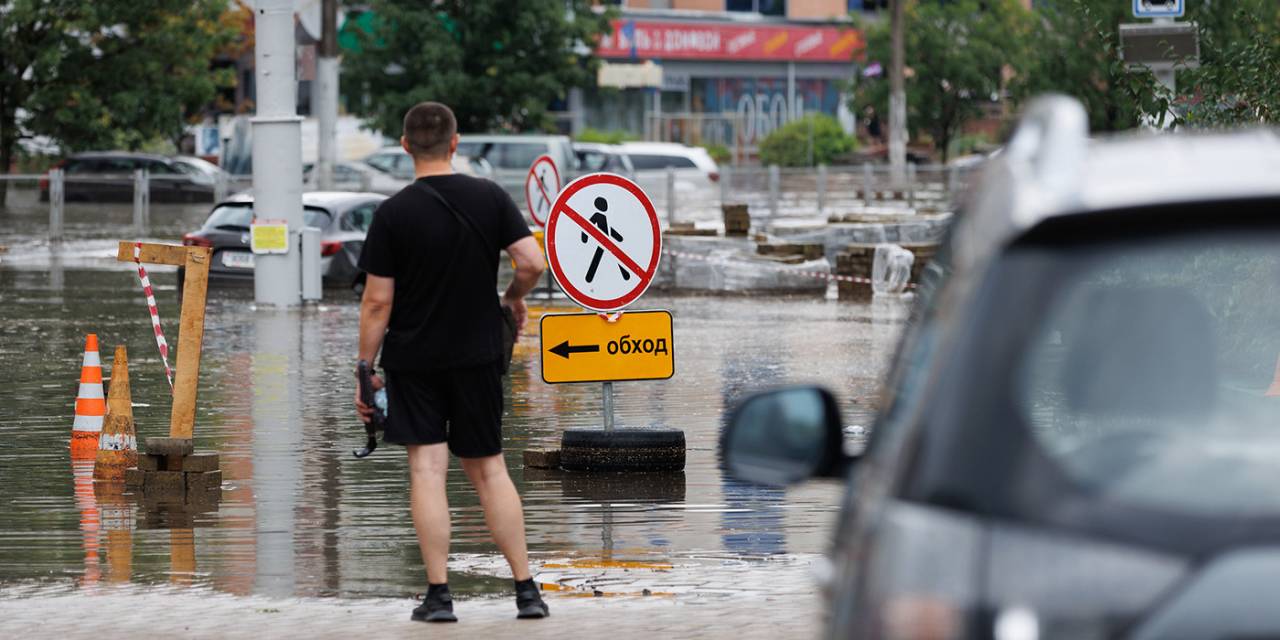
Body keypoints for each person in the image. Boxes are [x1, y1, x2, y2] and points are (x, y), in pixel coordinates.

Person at [354, 101, 548, 623]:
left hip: (415, 358)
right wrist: (511, 297)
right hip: (480, 352)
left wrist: (364, 367)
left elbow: (376, 302)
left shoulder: (393, 213)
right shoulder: (489, 198)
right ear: (456, 143)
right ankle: (527, 591)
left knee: (427, 469)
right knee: (489, 469)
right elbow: (532, 261)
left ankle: (439, 598)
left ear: (404, 147)